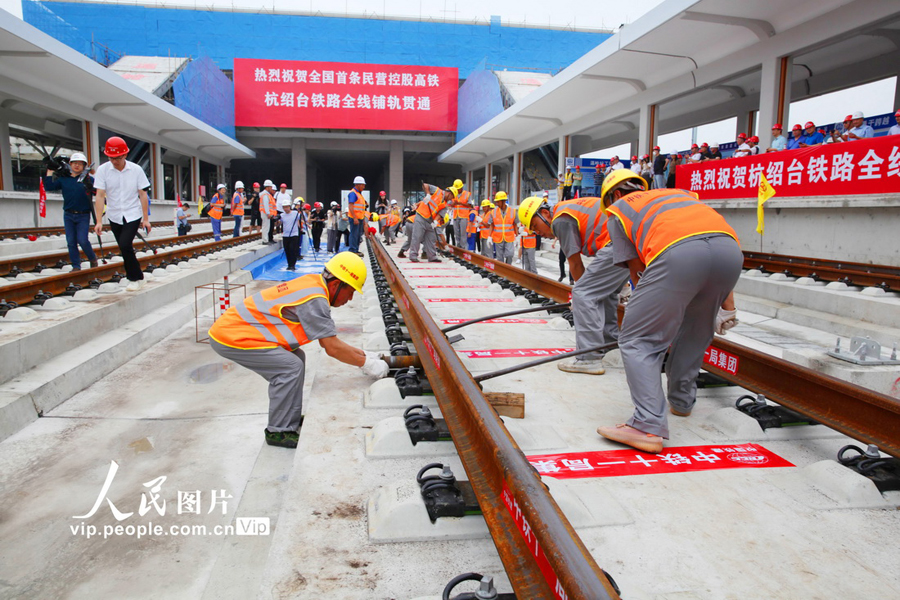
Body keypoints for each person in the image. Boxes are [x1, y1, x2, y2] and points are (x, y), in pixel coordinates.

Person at [595, 170, 741, 453]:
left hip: (678, 255)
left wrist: (646, 309)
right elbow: (712, 244)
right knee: (695, 333)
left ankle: (646, 425)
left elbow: (638, 272)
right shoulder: (680, 196)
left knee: (639, 340)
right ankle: (682, 402)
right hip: (730, 253)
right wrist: (727, 307)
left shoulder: (619, 211)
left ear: (612, 195)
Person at [207, 252, 389, 448]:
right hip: (230, 336)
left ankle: (288, 419)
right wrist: (368, 364)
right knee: (289, 367)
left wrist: (364, 355)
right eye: (351, 291)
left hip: (234, 330)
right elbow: (332, 348)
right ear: (336, 285)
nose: (351, 298)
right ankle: (278, 431)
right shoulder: (315, 298)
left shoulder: (314, 285)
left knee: (296, 357)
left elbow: (330, 342)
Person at [518, 193, 630, 375]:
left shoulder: (560, 219)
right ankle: (611, 346)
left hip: (616, 244)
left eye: (535, 226)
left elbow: (575, 264)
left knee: (583, 293)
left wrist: (580, 298)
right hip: (627, 242)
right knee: (606, 293)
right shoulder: (567, 210)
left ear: (545, 213)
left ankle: (588, 358)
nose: (536, 232)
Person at [92, 136, 151, 292]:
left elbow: (143, 194)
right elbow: (99, 195)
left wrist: (146, 219)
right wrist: (99, 221)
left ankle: (134, 278)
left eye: (117, 158)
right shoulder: (103, 170)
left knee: (125, 245)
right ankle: (138, 276)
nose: (114, 161)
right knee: (124, 247)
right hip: (114, 214)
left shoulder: (136, 170)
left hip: (132, 213)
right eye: (111, 158)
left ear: (125, 155)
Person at [43, 152, 99, 270]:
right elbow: (49, 186)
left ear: (84, 166)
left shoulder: (89, 180)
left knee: (83, 240)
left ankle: (92, 259)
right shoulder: (64, 179)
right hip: (68, 214)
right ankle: (76, 266)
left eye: (80, 164)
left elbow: (100, 193)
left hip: (83, 215)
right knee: (71, 242)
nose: (77, 166)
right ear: (70, 164)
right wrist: (50, 169)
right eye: (74, 163)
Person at [407, 183, 452, 263]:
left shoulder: (445, 205)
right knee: (417, 237)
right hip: (421, 216)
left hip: (430, 221)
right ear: (449, 193)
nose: (451, 199)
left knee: (431, 239)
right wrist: (428, 194)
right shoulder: (437, 191)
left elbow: (440, 215)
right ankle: (413, 256)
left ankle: (432, 257)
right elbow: (425, 185)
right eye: (452, 197)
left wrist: (435, 221)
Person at [487, 191, 517, 264]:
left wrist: (517, 235)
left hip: (509, 237)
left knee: (510, 254)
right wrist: (489, 236)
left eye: (498, 202)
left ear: (503, 201)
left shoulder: (512, 211)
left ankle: (508, 268)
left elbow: (515, 224)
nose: (496, 203)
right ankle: (501, 272)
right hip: (498, 238)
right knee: (499, 257)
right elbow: (491, 225)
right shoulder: (493, 212)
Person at [280, 198, 302, 270]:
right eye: (284, 207)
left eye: (287, 207)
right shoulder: (282, 215)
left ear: (289, 206)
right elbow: (279, 223)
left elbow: (300, 220)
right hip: (285, 235)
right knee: (287, 250)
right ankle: (289, 264)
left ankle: (293, 265)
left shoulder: (295, 213)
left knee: (293, 249)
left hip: (294, 234)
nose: (285, 209)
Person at [347, 176, 367, 256]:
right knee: (354, 234)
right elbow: (351, 206)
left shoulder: (358, 194)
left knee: (358, 234)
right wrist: (355, 218)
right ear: (358, 185)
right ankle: (353, 250)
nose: (364, 187)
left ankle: (356, 249)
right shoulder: (353, 193)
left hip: (360, 218)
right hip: (355, 218)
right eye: (363, 185)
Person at [449, 179, 471, 248]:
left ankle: (464, 248)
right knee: (457, 233)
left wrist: (460, 203)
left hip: (464, 216)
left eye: (458, 189)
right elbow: (450, 205)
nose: (457, 190)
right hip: (456, 216)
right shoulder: (453, 194)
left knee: (463, 234)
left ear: (461, 188)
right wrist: (453, 204)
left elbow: (470, 205)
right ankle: (458, 247)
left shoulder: (467, 194)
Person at [260, 180, 278, 244]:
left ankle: (266, 240)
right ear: (267, 187)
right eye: (270, 187)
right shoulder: (265, 195)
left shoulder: (266, 194)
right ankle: (265, 240)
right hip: (265, 213)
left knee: (267, 227)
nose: (271, 188)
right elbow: (266, 205)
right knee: (266, 227)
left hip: (266, 213)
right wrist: (268, 213)